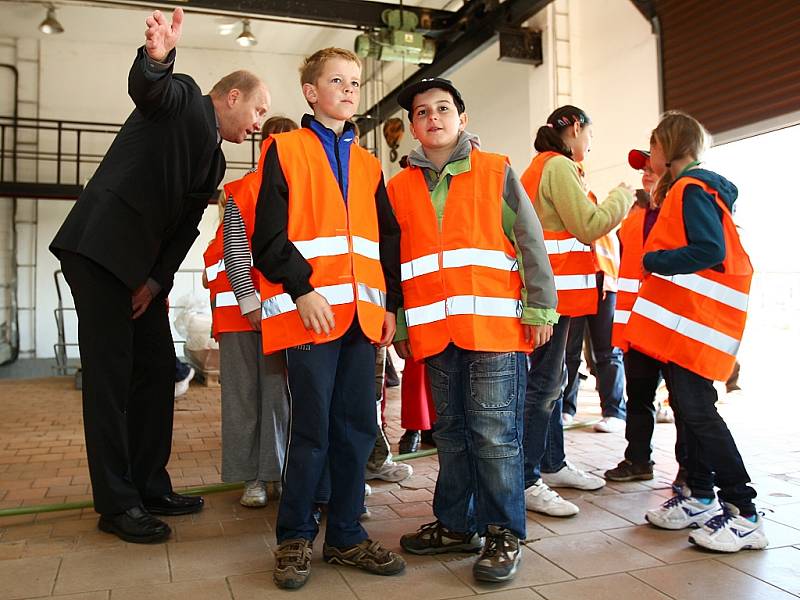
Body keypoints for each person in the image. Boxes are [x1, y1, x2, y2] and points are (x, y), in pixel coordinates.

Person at [49, 8, 270, 544]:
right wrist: (157, 59)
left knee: (158, 369)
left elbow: (183, 232)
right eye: (258, 108)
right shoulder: (185, 102)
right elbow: (152, 91)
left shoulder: (216, 166)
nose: (260, 122)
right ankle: (117, 504)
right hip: (99, 251)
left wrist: (154, 283)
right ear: (232, 96)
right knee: (110, 377)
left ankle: (150, 485)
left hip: (139, 274)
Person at [389, 78, 557, 583]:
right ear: (414, 127)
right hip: (434, 332)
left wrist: (540, 309)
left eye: (443, 109)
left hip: (494, 330)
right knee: (452, 433)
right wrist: (399, 321)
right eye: (422, 113)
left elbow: (531, 240)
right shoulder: (398, 188)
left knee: (494, 434)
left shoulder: (496, 170)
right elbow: (395, 263)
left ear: (462, 118)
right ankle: (458, 525)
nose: (433, 118)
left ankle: (504, 532)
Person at [250, 47, 405, 589]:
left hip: (363, 319)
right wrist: (302, 289)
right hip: (313, 316)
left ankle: (344, 535)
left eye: (355, 82)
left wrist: (389, 304)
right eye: (336, 80)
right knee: (312, 430)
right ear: (311, 92)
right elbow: (266, 237)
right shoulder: (284, 149)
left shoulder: (368, 164)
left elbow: (385, 240)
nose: (348, 89)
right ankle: (294, 537)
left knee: (358, 427)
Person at [626, 111, 767, 553]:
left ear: (670, 145)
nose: (650, 156)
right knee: (690, 410)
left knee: (699, 412)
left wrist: (655, 261)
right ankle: (699, 495)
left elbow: (710, 249)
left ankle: (744, 513)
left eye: (653, 147)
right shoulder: (691, 188)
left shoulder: (690, 188)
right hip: (687, 325)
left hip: (696, 327)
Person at [519, 105, 634, 517]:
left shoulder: (542, 167)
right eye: (590, 135)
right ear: (577, 129)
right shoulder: (558, 168)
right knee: (544, 385)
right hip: (553, 298)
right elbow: (589, 225)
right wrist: (623, 195)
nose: (590, 144)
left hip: (552, 296)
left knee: (552, 381)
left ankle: (551, 463)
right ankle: (528, 477)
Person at [203, 116, 296, 508]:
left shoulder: (302, 190)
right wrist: (248, 300)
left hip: (283, 311)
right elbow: (234, 251)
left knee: (278, 397)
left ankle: (276, 473)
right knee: (243, 399)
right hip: (240, 312)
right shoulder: (241, 190)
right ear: (263, 146)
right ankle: (251, 479)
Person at [604, 149, 685, 482]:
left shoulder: (681, 207)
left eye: (651, 168)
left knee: (684, 401)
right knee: (638, 396)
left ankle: (690, 472)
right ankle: (638, 460)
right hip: (638, 325)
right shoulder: (635, 211)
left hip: (672, 323)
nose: (646, 173)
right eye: (643, 169)